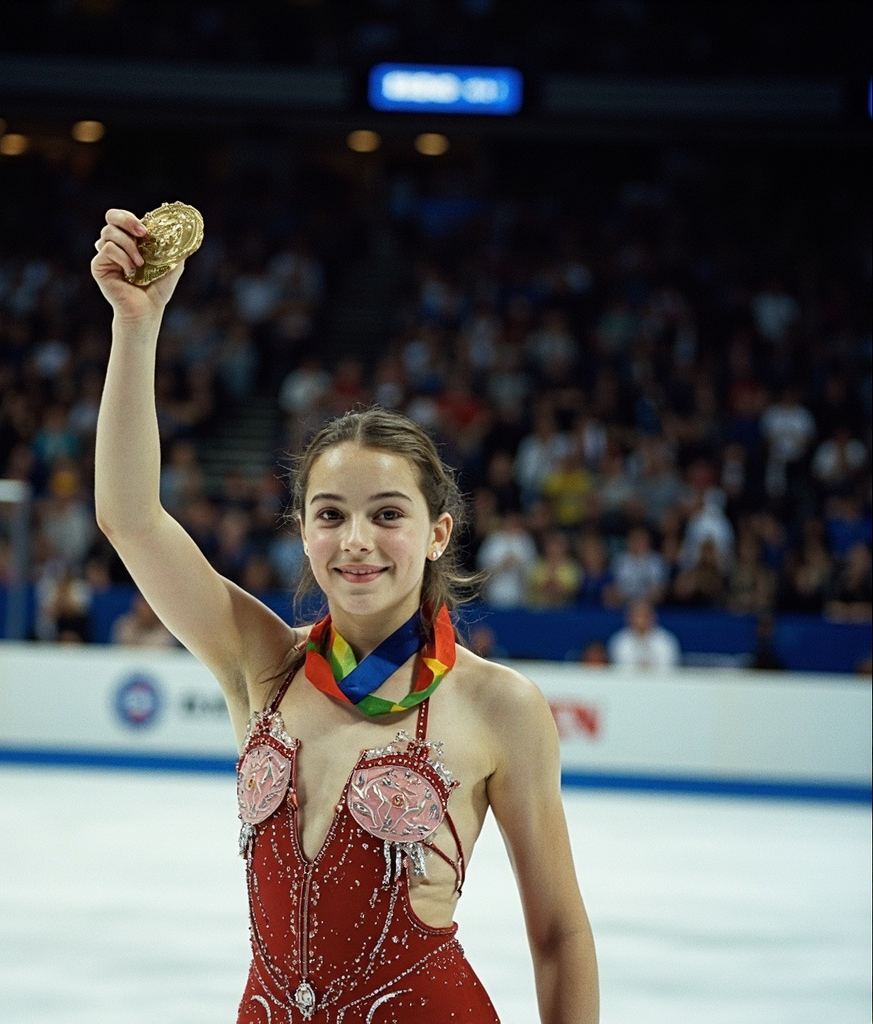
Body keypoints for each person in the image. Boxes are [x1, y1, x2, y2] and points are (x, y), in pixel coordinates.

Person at [91, 209, 598, 1024]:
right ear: (302, 531)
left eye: (387, 515)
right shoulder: (260, 661)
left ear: (437, 534)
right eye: (329, 514)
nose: (356, 541)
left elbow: (561, 936)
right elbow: (129, 517)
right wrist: (135, 324)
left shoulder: (498, 705)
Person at [606, 599, 681, 671]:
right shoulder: (619, 641)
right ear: (629, 618)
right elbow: (621, 668)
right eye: (637, 616)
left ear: (653, 617)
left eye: (644, 616)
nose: (640, 620)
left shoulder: (666, 640)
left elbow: (669, 668)